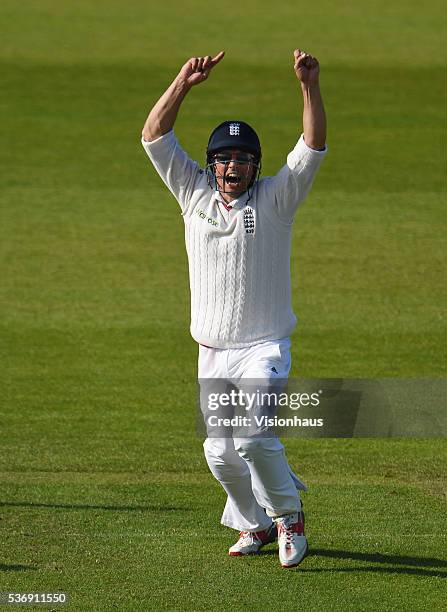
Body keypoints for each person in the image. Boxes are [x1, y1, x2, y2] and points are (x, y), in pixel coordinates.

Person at [141, 49, 327, 568]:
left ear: (255, 166)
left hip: (264, 345)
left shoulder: (275, 200)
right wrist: (182, 82)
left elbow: (312, 147)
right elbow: (154, 136)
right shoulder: (191, 193)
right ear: (211, 162)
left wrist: (309, 87)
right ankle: (256, 523)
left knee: (251, 435)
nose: (232, 167)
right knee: (219, 452)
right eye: (224, 158)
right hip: (213, 350)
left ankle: (290, 517)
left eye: (243, 160)